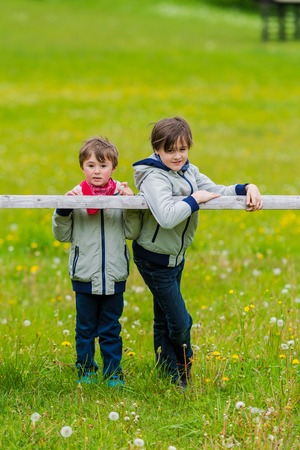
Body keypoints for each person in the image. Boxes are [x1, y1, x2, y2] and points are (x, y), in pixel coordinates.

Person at [132, 116, 263, 390]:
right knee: (180, 321)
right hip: (153, 257)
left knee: (163, 317)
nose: (177, 156)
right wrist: (194, 200)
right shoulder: (153, 177)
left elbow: (217, 191)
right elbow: (167, 217)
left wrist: (247, 187)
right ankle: (184, 365)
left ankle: (168, 374)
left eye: (182, 149)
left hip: (176, 256)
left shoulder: (189, 171)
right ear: (157, 149)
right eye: (170, 150)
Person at [52, 136, 140, 387]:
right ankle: (86, 370)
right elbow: (62, 235)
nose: (97, 171)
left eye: (103, 165)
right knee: (85, 329)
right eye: (91, 165)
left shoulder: (120, 195)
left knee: (111, 328)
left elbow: (132, 232)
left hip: (114, 275)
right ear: (82, 167)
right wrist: (64, 208)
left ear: (113, 167)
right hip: (85, 274)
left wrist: (131, 203)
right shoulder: (76, 196)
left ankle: (113, 374)